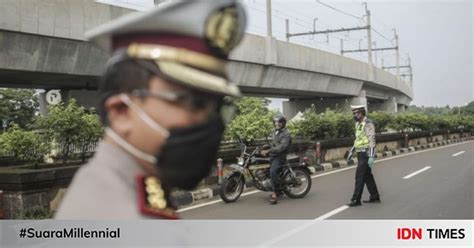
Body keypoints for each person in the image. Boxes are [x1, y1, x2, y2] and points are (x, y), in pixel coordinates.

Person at [55, 0, 247, 219]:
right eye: (195, 103)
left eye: (218, 107)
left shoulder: (125, 191)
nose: (211, 122)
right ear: (121, 112)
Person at [347, 105, 380, 207]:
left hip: (365, 153)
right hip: (360, 152)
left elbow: (371, 140)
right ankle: (375, 197)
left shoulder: (368, 124)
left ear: (361, 113)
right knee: (367, 176)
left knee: (359, 176)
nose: (354, 115)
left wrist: (371, 156)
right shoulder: (358, 124)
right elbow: (358, 139)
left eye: (355, 113)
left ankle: (356, 199)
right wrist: (352, 151)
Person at [261, 115, 292, 204]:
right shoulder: (275, 132)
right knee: (264, 169)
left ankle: (274, 193)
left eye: (279, 122)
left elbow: (281, 147)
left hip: (280, 156)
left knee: (272, 171)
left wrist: (269, 150)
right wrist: (264, 147)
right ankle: (277, 189)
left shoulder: (286, 134)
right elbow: (274, 144)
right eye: (275, 122)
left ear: (283, 123)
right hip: (273, 155)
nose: (277, 124)